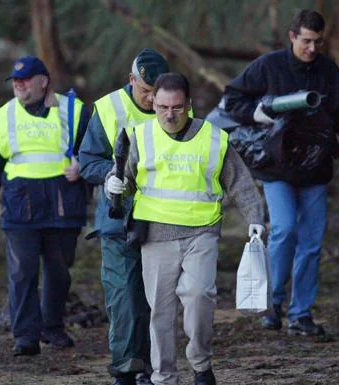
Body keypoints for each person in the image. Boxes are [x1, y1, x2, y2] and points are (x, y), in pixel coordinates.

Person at [106, 73, 264, 385]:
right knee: (160, 312)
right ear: (153, 104)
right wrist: (113, 185)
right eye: (162, 106)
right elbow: (122, 181)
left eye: (176, 107)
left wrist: (255, 218)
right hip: (155, 236)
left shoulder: (214, 138)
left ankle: (201, 365)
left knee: (200, 296)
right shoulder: (140, 136)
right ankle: (164, 376)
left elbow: (240, 182)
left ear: (188, 105)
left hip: (201, 231)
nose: (169, 114)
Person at [223, 9, 339, 335]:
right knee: (285, 230)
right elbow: (232, 98)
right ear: (293, 37)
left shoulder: (329, 71)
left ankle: (300, 313)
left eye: (318, 42)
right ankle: (273, 303)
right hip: (277, 167)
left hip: (316, 168)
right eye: (306, 41)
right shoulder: (269, 66)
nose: (312, 48)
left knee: (312, 243)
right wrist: (256, 113)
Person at [0, 56, 90, 356]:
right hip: (20, 206)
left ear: (43, 81)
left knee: (59, 271)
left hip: (63, 204)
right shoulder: (3, 116)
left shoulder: (74, 111)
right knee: (22, 272)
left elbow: (97, 153)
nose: (18, 85)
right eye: (15, 81)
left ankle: (52, 327)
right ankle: (25, 337)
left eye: (24, 79)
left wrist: (83, 168)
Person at [79, 48, 170, 385]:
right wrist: (107, 174)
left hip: (163, 217)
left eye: (155, 92)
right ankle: (127, 368)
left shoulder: (174, 106)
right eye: (145, 91)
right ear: (131, 80)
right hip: (117, 220)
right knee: (124, 298)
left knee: (156, 298)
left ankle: (150, 365)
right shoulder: (107, 108)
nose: (150, 99)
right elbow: (87, 160)